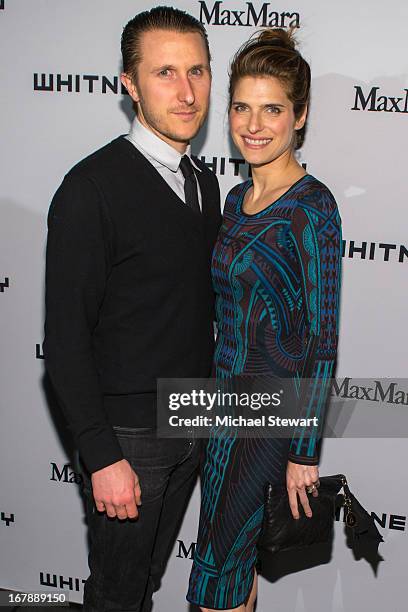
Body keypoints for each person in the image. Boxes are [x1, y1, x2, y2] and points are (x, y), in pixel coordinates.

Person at [43, 6, 221, 611]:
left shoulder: (203, 181)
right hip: (130, 439)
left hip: (191, 420)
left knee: (142, 584)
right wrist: (102, 456)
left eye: (198, 71)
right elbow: (64, 340)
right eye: (166, 72)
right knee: (118, 595)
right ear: (129, 83)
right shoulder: (91, 189)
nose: (187, 91)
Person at [187, 28, 342, 612]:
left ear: (299, 116)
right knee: (233, 563)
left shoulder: (312, 207)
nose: (254, 124)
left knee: (217, 570)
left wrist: (304, 451)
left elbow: (321, 342)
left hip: (271, 420)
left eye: (272, 109)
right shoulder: (233, 200)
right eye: (242, 107)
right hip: (221, 406)